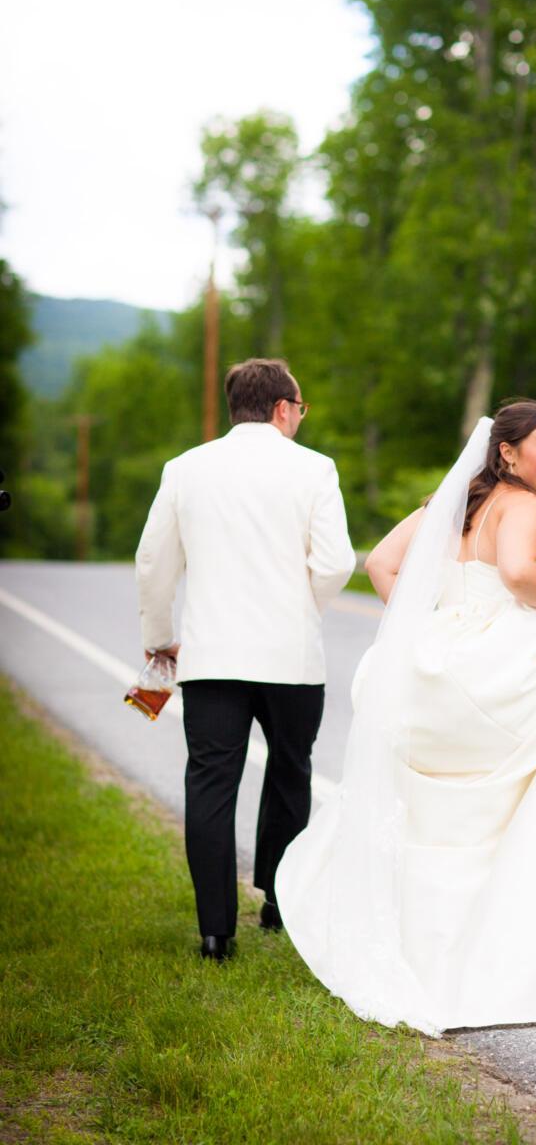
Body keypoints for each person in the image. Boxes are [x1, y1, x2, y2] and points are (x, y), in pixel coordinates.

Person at [276, 400, 536, 1034]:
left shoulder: (453, 504)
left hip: (441, 659)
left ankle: (424, 949)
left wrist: (430, 621)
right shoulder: (522, 505)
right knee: (533, 801)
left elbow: (380, 565)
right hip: (504, 663)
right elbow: (516, 571)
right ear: (508, 451)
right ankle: (521, 959)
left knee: (442, 814)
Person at [135, 358, 355, 961]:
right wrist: (299, 607)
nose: (301, 420)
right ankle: (280, 905)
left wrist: (159, 638)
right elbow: (336, 562)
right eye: (300, 410)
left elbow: (154, 562)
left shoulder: (185, 469)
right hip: (292, 659)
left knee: (210, 783)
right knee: (288, 773)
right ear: (283, 408)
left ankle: (215, 933)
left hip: (212, 658)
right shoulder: (314, 469)